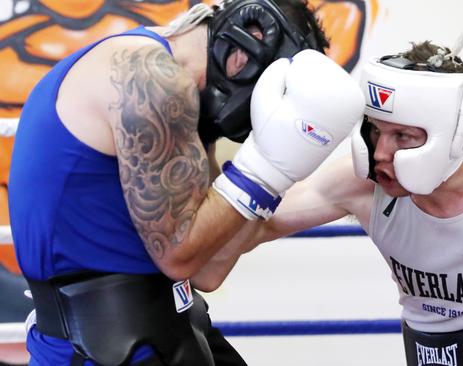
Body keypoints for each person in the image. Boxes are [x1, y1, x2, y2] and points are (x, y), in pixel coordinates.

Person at [196, 38, 463, 366]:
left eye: (404, 136)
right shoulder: (362, 183)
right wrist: (216, 149)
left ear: (452, 136)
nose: (381, 153)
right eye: (374, 131)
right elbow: (250, 226)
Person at [7, 0, 364, 364]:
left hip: (170, 327)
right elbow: (181, 255)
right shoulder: (149, 78)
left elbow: (208, 268)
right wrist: (264, 169)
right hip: (102, 344)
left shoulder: (191, 109)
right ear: (249, 48)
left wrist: (280, 176)